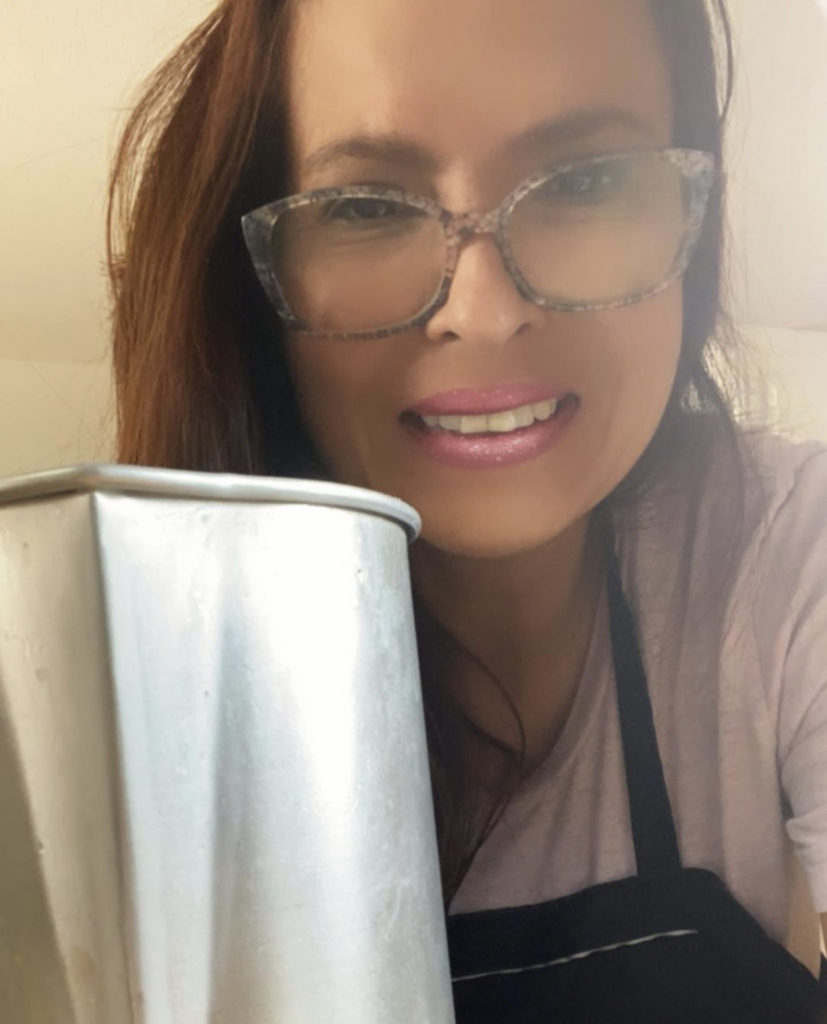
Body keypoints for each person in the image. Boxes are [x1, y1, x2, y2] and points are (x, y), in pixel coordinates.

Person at [107, 0, 827, 1018]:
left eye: (581, 182)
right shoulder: (126, 688)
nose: (483, 313)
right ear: (256, 276)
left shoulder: (787, 546)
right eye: (363, 204)